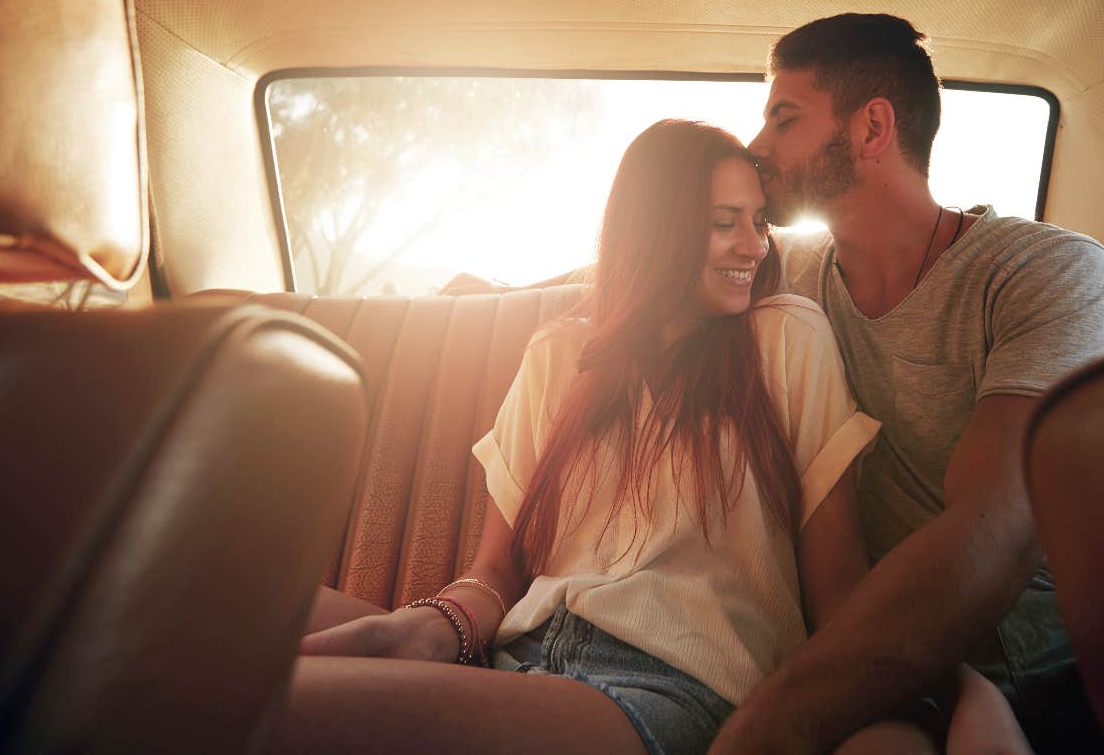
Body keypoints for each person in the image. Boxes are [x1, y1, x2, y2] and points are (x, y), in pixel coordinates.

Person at [270, 120, 894, 755]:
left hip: (668, 687)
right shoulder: (560, 352)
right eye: (724, 222)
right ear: (657, 229)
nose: (754, 246)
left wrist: (937, 693)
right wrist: (434, 624)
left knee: (259, 710)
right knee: (209, 618)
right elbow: (494, 573)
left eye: (758, 222)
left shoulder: (788, 336)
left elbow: (840, 590)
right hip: (515, 656)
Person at [708, 14, 1104, 755]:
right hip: (861, 658)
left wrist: (771, 721)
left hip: (1033, 678)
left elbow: (994, 530)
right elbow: (656, 276)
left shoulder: (1048, 274)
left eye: (785, 117)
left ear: (872, 129)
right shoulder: (794, 270)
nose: (757, 146)